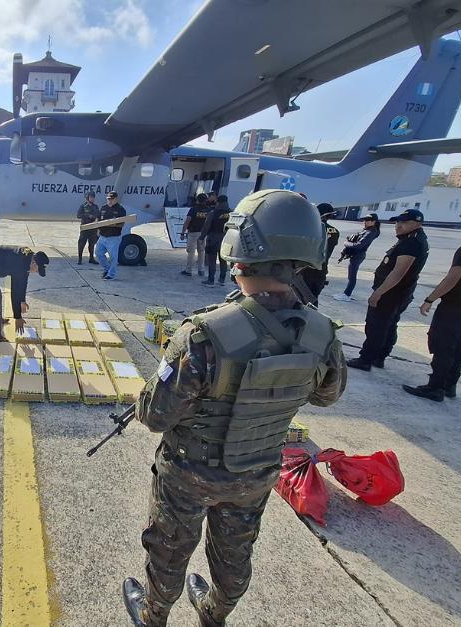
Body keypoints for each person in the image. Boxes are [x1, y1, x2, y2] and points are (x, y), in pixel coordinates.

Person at [122, 189, 346, 627]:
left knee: (170, 549)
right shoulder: (321, 334)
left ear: (236, 257)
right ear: (303, 261)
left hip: (189, 474)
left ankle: (152, 617)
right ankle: (214, 614)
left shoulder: (205, 334)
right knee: (236, 552)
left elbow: (155, 416)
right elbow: (325, 395)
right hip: (257, 470)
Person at [403, 206, 461, 401]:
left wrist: (430, 299)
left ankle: (435, 387)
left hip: (456, 306)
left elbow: (452, 278)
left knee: (443, 345)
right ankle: (449, 385)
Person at [347, 208, 429, 372]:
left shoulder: (411, 242)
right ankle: (379, 357)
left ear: (417, 224)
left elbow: (398, 273)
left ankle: (366, 359)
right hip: (399, 292)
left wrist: (378, 293)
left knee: (376, 326)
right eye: (398, 222)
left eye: (404, 223)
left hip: (391, 293)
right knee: (389, 325)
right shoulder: (412, 239)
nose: (398, 226)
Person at [0, 245, 49, 341]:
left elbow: (23, 282)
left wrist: (22, 301)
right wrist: (18, 317)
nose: (36, 272)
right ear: (33, 262)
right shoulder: (19, 262)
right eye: (37, 270)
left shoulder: (27, 258)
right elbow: (15, 291)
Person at [298, 203, 340, 306]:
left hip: (305, 270)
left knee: (300, 299)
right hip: (321, 270)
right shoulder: (335, 232)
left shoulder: (310, 228)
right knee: (313, 299)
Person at [333, 213, 381, 301]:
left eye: (368, 220)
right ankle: (347, 293)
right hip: (356, 254)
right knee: (351, 275)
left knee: (352, 276)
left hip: (358, 255)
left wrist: (346, 243)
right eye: (365, 220)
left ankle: (347, 294)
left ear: (374, 221)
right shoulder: (367, 230)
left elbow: (359, 245)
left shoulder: (371, 232)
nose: (365, 222)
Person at [199, 194, 231, 286]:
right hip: (226, 239)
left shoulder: (213, 213)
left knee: (212, 260)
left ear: (218, 202)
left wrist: (201, 237)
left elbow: (206, 226)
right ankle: (222, 279)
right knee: (223, 260)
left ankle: (211, 280)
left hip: (213, 238)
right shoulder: (231, 213)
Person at [95, 190, 127, 280]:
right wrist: (97, 227)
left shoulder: (120, 210)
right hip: (102, 236)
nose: (110, 201)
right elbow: (98, 219)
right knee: (98, 253)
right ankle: (107, 269)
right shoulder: (104, 208)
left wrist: (112, 224)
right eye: (108, 199)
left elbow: (122, 224)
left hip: (113, 237)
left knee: (113, 257)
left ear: (116, 199)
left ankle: (111, 275)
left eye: (112, 199)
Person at [179, 193, 208, 277]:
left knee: (191, 252)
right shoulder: (208, 210)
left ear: (197, 200)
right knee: (201, 251)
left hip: (193, 233)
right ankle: (201, 270)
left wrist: (182, 233)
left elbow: (187, 221)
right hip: (203, 234)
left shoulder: (193, 210)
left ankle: (188, 270)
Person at [77, 191, 100, 264]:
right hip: (85, 228)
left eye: (93, 197)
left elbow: (98, 215)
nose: (92, 198)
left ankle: (91, 258)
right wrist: (88, 215)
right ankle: (80, 259)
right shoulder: (83, 206)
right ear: (87, 198)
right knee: (81, 244)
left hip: (93, 229)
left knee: (92, 244)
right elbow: (78, 215)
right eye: (91, 197)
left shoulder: (96, 206)